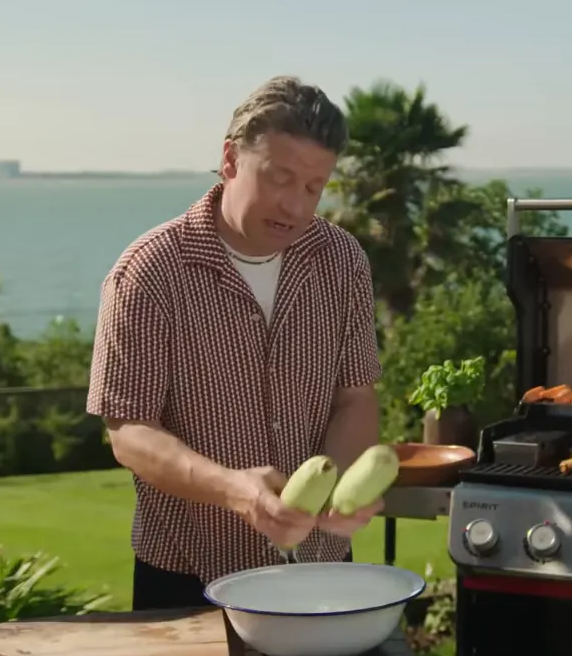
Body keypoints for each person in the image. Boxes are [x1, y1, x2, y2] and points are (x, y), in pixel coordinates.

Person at [87, 75, 385, 610]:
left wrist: (338, 493)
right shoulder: (149, 273)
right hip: (186, 577)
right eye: (280, 179)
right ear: (230, 159)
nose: (295, 206)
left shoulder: (342, 260)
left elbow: (356, 397)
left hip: (321, 567)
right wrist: (236, 490)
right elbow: (129, 431)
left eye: (314, 187)